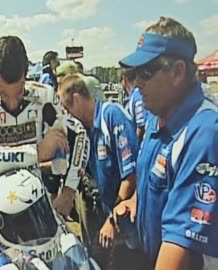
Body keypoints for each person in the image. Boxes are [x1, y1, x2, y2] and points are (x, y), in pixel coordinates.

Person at [114, 17, 218, 270]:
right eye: (135, 74)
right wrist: (135, 202)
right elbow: (151, 178)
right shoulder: (155, 116)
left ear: (178, 71)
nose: (137, 83)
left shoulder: (205, 132)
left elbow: (181, 246)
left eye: (146, 73)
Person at [0, 36, 89, 269]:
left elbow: (79, 134)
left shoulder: (43, 96)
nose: (12, 100)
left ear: (26, 74)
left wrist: (70, 190)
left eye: (19, 91)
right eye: (5, 92)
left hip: (39, 206)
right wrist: (36, 152)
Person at [57, 74, 141, 269]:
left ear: (77, 100)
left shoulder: (111, 116)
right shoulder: (84, 131)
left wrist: (113, 219)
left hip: (128, 222)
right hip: (108, 215)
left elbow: (131, 175)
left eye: (67, 109)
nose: (67, 115)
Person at [121, 68, 148, 140]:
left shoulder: (137, 96)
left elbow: (141, 126)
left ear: (124, 79)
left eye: (120, 80)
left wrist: (133, 145)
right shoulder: (133, 96)